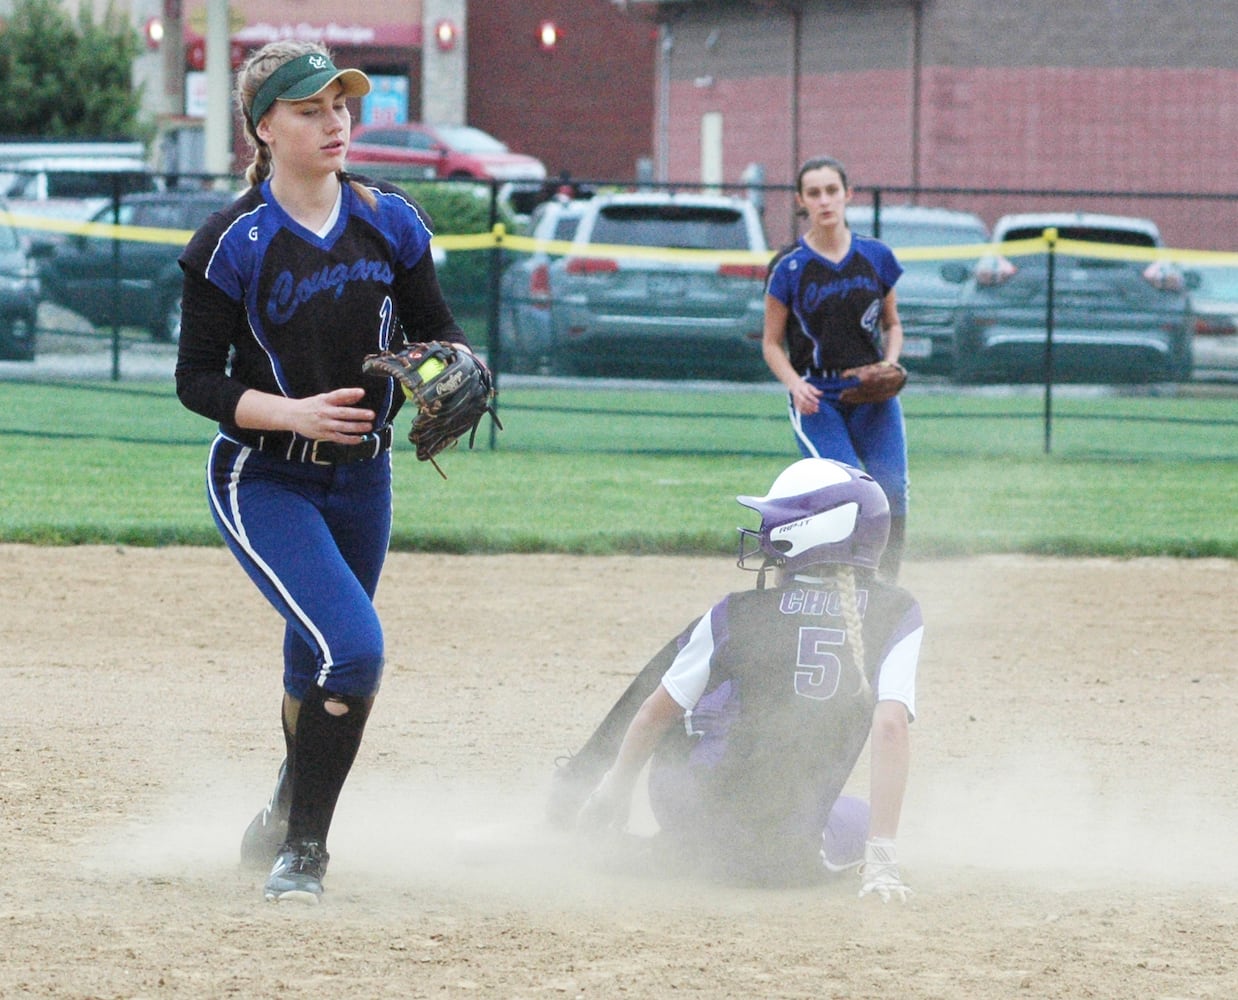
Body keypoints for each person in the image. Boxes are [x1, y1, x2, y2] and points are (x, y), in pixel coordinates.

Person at [174, 41, 480, 904]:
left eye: (341, 105)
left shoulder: (390, 219)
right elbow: (196, 379)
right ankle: (305, 850)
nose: (334, 121)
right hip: (262, 476)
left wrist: (453, 367)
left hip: (364, 478)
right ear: (265, 127)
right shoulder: (232, 241)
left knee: (319, 666)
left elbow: (439, 330)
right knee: (355, 649)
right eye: (309, 109)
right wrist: (293, 414)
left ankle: (285, 804)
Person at [547, 458, 922, 900]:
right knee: (851, 815)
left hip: (694, 823)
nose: (764, 532)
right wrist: (881, 860)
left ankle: (675, 848)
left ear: (817, 529)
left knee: (703, 718)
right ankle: (712, 846)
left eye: (776, 522)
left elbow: (651, 717)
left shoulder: (736, 610)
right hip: (786, 860)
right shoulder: (897, 612)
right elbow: (891, 728)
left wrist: (612, 795)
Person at [762, 156, 910, 582]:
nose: (824, 200)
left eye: (832, 190)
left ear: (848, 194)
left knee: (891, 489)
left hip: (872, 391)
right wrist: (794, 385)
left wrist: (890, 362)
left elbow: (892, 324)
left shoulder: (876, 257)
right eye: (814, 192)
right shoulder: (789, 267)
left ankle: (883, 586)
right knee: (843, 493)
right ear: (801, 201)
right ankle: (814, 580)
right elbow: (772, 343)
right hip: (817, 397)